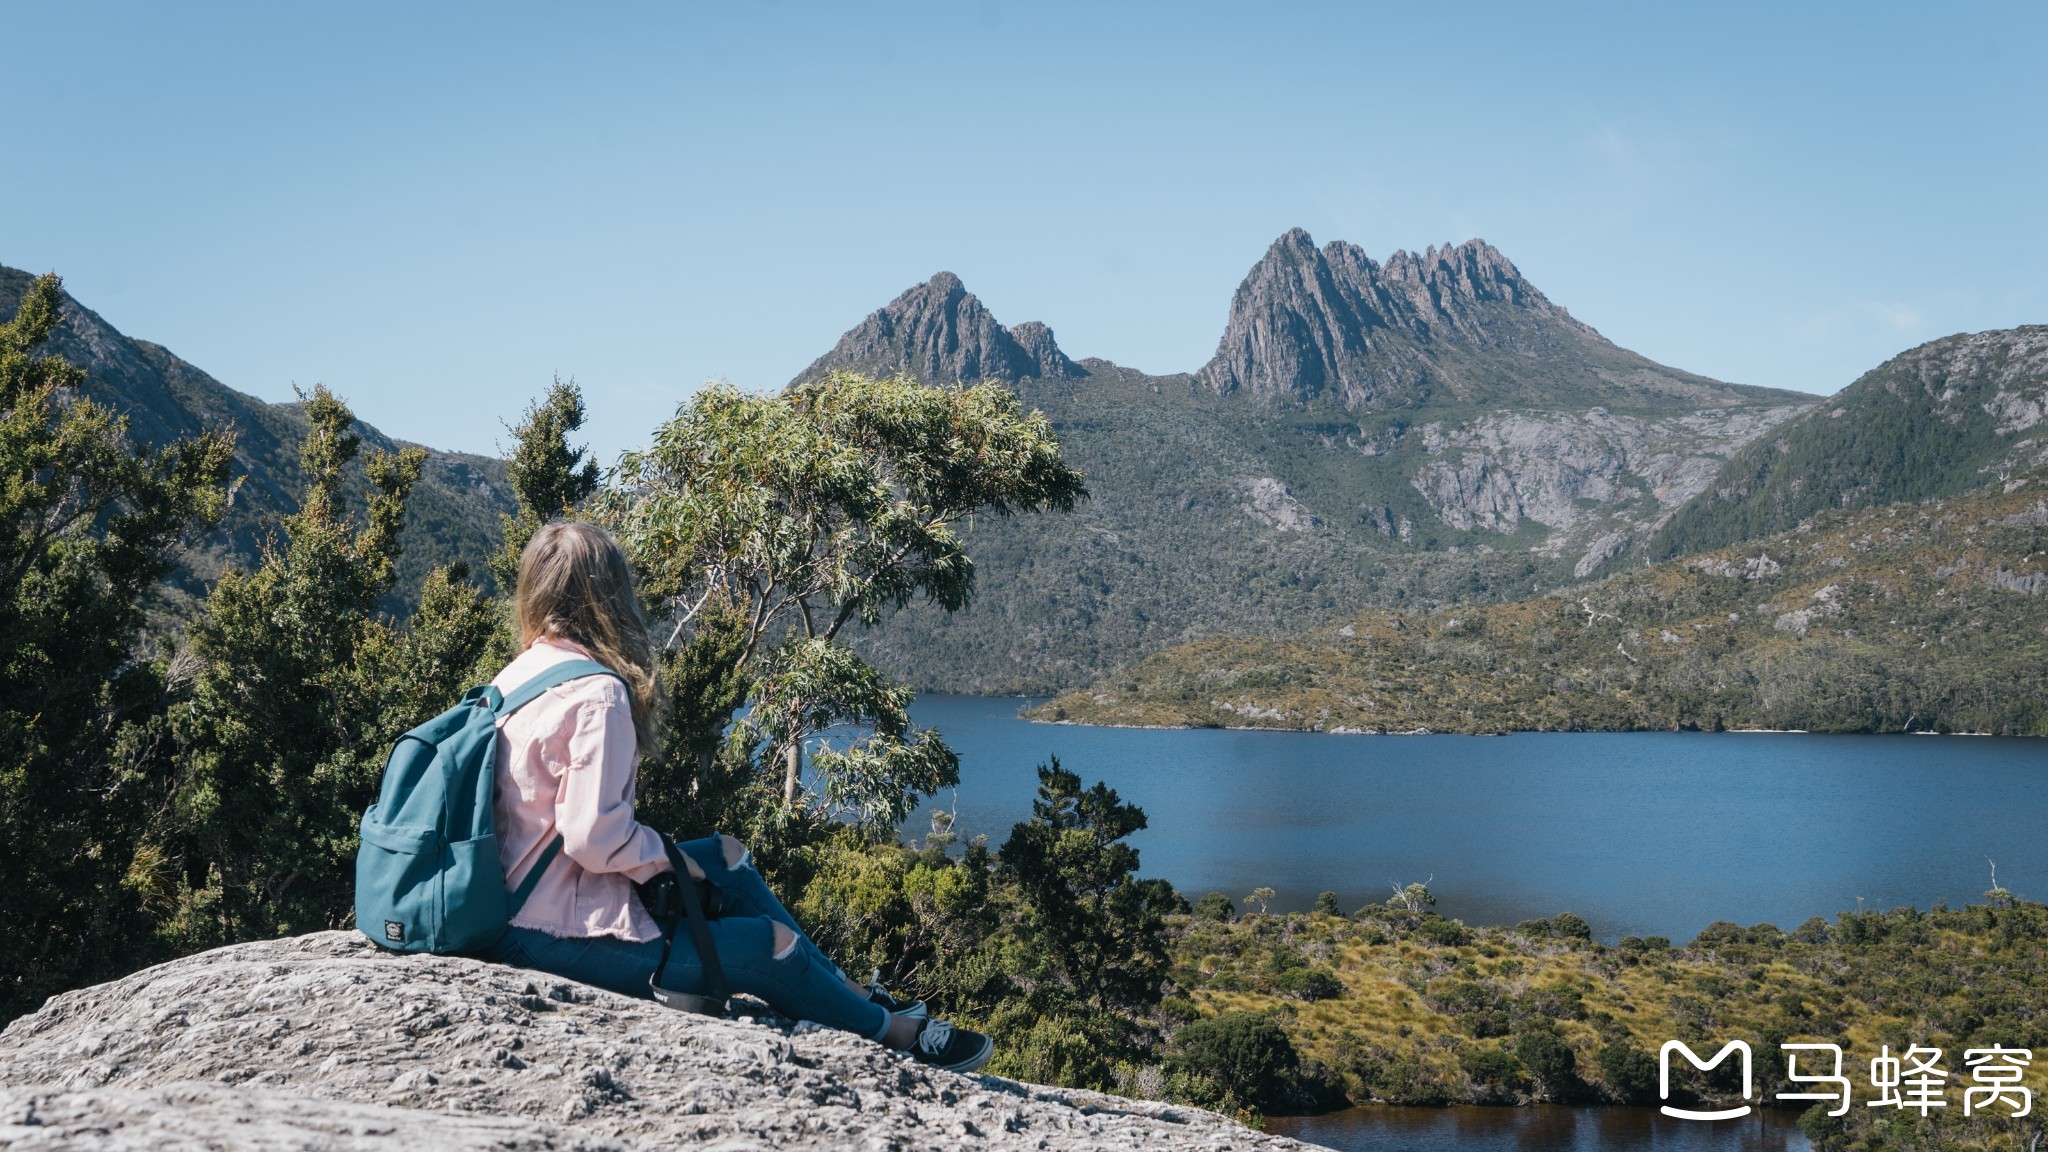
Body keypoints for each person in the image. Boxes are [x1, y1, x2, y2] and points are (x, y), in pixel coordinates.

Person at [477, 520, 993, 1073]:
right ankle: (894, 1033)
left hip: (517, 903)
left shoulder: (519, 674)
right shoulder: (597, 693)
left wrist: (678, 861)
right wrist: (669, 861)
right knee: (769, 947)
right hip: (548, 933)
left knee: (726, 857)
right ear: (612, 595)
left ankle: (851, 992)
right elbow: (591, 837)